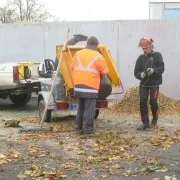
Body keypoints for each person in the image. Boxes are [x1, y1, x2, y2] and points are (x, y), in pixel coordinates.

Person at [72, 36, 109, 136]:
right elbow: (105, 71)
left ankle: (78, 128)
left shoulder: (78, 54)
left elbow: (72, 66)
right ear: (96, 45)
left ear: (87, 44)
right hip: (90, 87)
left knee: (81, 108)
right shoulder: (98, 56)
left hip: (78, 86)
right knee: (89, 110)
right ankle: (88, 131)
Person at [134, 37, 165, 130]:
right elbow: (136, 72)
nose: (144, 50)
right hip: (144, 84)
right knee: (143, 102)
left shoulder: (157, 55)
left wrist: (154, 70)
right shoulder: (140, 58)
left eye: (145, 48)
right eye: (143, 49)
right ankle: (145, 123)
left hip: (154, 83)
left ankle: (155, 119)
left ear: (151, 46)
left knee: (153, 101)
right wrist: (141, 75)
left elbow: (162, 68)